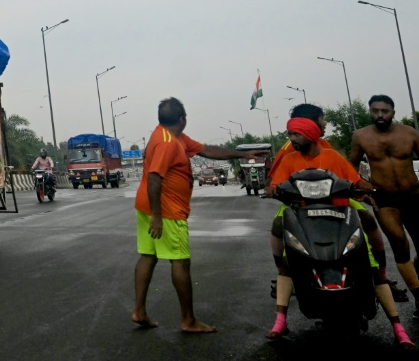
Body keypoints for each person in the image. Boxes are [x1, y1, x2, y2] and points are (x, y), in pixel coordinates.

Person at [268, 116, 414, 349]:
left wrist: (363, 186)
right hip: (301, 209)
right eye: (290, 134)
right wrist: (273, 190)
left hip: (340, 206)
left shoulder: (333, 156)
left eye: (296, 134)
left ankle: (391, 300)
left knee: (367, 224)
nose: (292, 139)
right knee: (279, 231)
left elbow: (353, 179)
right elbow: (276, 183)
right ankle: (280, 317)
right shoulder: (289, 159)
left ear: (309, 134)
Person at [132, 97, 268, 333]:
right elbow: (155, 177)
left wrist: (242, 155)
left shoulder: (169, 135)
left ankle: (139, 311)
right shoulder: (168, 143)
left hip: (147, 205)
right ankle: (188, 320)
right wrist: (157, 216)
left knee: (148, 256)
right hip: (166, 211)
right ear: (182, 119)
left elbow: (207, 150)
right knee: (180, 261)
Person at [350, 94, 419, 318]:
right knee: (400, 244)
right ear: (370, 111)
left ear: (393, 112)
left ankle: (415, 273)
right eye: (375, 111)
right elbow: (351, 167)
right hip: (385, 200)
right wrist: (360, 185)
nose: (380, 115)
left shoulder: (409, 133)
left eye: (384, 111)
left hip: (414, 196)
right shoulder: (361, 136)